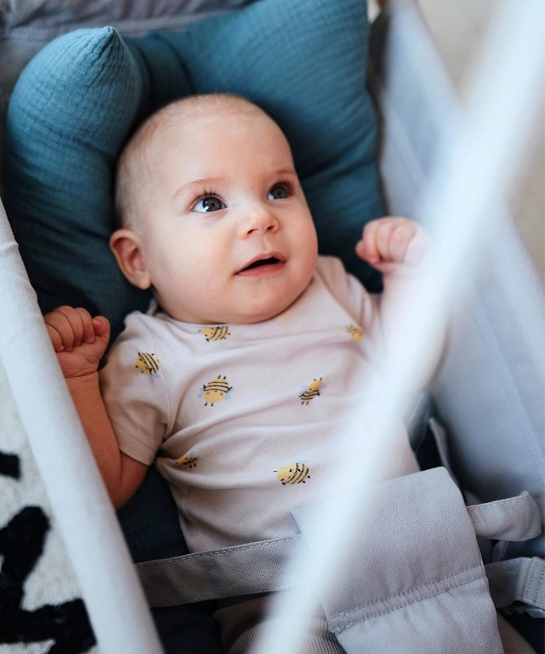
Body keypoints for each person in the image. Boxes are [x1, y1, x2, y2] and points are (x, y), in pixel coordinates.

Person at [43, 93, 430, 650]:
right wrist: (77, 382)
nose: (260, 218)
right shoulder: (151, 355)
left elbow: (410, 365)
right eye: (209, 203)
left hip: (422, 561)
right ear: (138, 260)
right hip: (283, 601)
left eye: (279, 191)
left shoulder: (330, 284)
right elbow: (104, 488)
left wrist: (407, 280)